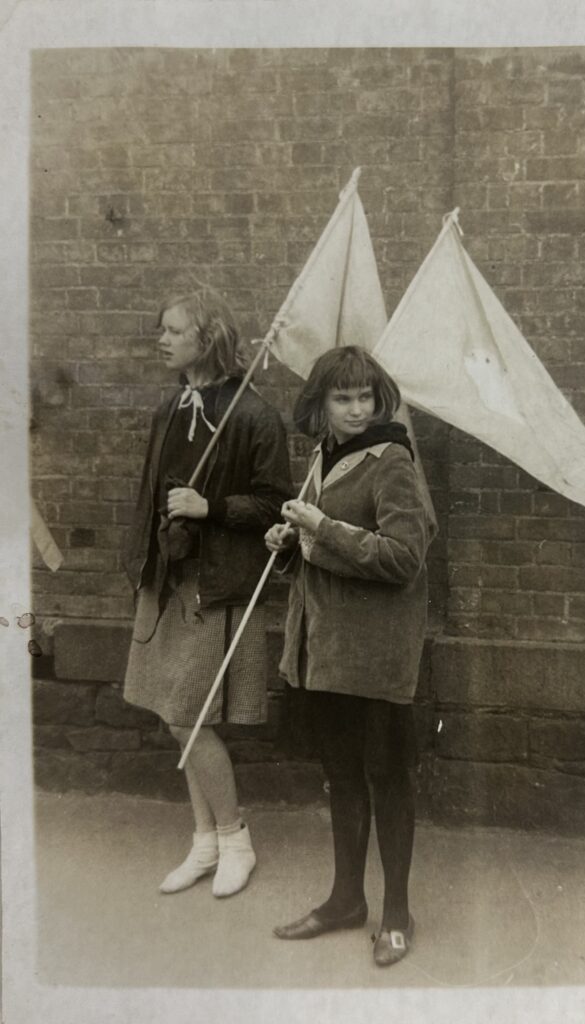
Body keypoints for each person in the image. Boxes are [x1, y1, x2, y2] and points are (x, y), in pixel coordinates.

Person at [265, 346, 433, 967]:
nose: (357, 409)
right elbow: (317, 559)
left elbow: (403, 558)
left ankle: (396, 913)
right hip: (327, 654)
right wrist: (288, 543)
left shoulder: (392, 461)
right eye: (344, 398)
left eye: (366, 396)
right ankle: (344, 900)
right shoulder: (320, 458)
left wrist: (320, 530)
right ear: (321, 404)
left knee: (387, 778)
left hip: (377, 658)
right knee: (340, 775)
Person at [122, 287, 292, 898]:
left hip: (215, 586)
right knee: (179, 718)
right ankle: (205, 843)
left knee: (187, 717)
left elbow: (279, 504)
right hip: (171, 580)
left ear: (208, 337)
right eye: (160, 329)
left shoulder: (251, 414)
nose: (161, 339)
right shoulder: (170, 408)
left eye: (173, 330)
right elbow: (150, 494)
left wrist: (209, 506)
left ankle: (235, 837)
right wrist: (146, 562)